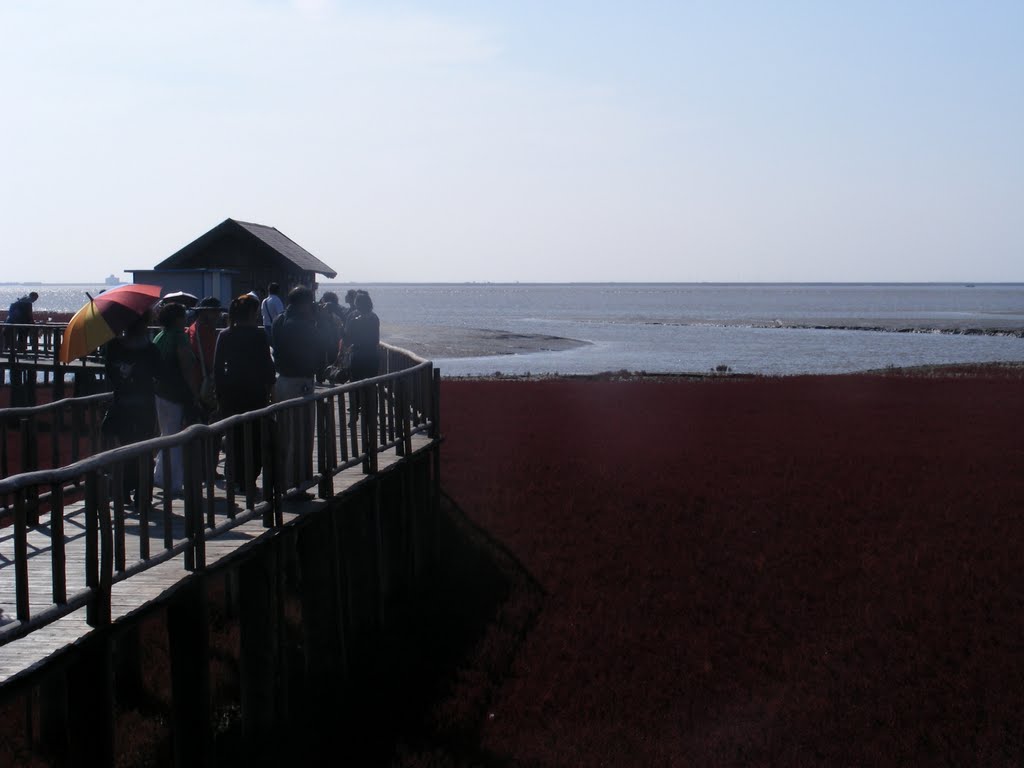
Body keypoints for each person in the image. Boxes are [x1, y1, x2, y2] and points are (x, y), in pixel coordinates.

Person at [214, 295, 275, 494]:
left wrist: (219, 393)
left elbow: (217, 368)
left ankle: (237, 478)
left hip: (230, 393)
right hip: (254, 392)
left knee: (235, 438)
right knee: (255, 437)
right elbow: (266, 365)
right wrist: (270, 387)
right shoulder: (258, 336)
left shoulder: (225, 335)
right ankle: (249, 479)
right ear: (251, 313)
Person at [102, 310, 161, 508]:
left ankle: (123, 492)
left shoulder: (113, 346)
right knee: (144, 449)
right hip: (145, 405)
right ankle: (143, 495)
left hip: (122, 404)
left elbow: (110, 375)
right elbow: (159, 375)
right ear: (144, 324)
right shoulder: (151, 349)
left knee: (124, 450)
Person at [271, 286, 321, 499]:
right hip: (300, 382)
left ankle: (284, 482)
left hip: (282, 381)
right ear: (304, 303)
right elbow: (321, 348)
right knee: (301, 434)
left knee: (285, 434)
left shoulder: (279, 320)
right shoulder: (301, 324)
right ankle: (296, 484)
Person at [152, 302, 201, 496]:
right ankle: (173, 482)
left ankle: (159, 476)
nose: (186, 318)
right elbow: (186, 367)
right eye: (183, 315)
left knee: (166, 434)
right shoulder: (179, 337)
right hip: (176, 392)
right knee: (176, 438)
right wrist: (195, 394)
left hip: (160, 392)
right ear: (177, 319)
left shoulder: (160, 336)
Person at [341, 291, 380, 424]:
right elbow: (376, 339)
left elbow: (346, 338)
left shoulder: (352, 317)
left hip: (357, 355)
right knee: (371, 385)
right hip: (372, 356)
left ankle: (354, 414)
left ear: (357, 304)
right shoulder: (374, 317)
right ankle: (371, 414)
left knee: (355, 385)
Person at [187, 296, 223, 420]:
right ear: (203, 312)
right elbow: (213, 361)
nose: (218, 315)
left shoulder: (193, 328)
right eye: (214, 312)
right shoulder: (205, 332)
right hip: (204, 388)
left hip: (196, 388)